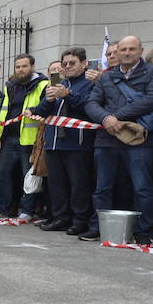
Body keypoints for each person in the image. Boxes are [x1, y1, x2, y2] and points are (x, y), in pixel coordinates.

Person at [82, 36, 153, 243]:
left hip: (138, 140)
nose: (127, 53)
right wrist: (105, 118)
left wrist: (116, 117)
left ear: (141, 50)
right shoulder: (105, 77)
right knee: (103, 187)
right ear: (117, 52)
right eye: (123, 49)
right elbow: (92, 103)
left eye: (132, 49)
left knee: (142, 187)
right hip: (107, 139)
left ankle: (143, 231)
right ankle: (98, 226)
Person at [34, 48, 97, 235]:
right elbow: (43, 110)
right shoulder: (57, 83)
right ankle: (61, 217)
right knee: (57, 183)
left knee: (79, 184)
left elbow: (89, 107)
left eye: (72, 63)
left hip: (77, 143)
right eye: (65, 64)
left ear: (84, 64)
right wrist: (46, 101)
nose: (68, 67)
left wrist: (68, 95)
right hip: (54, 141)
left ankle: (80, 220)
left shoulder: (90, 84)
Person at [0, 54, 47, 221]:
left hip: (30, 139)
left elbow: (46, 106)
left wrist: (34, 110)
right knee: (2, 173)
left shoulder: (42, 85)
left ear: (32, 67)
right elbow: (4, 110)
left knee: (29, 177)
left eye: (24, 66)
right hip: (9, 137)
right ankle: (2, 208)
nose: (21, 70)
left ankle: (27, 210)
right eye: (18, 67)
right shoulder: (10, 86)